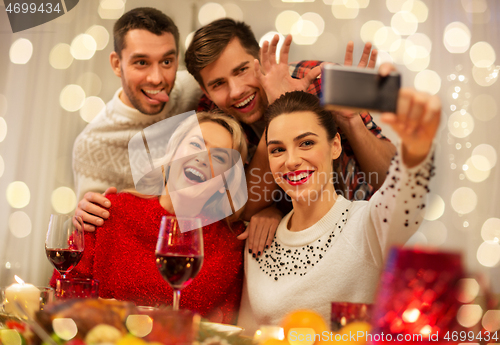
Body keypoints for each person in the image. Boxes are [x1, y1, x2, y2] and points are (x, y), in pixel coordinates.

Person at [237, 84, 441, 332]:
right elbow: (246, 335)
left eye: (306, 143)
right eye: (278, 150)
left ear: (335, 146)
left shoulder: (367, 223)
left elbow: (411, 197)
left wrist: (416, 146)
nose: (291, 161)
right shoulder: (259, 238)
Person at [184, 19, 396, 255]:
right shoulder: (211, 116)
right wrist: (279, 110)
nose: (236, 91)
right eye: (218, 84)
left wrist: (352, 122)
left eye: (242, 70)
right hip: (291, 245)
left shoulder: (318, 80)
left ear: (260, 60)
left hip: (363, 231)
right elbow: (240, 206)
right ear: (206, 91)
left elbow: (393, 178)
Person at [51, 112, 248, 324]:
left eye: (219, 157)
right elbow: (62, 297)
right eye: (195, 144)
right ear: (172, 154)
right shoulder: (109, 212)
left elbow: (224, 332)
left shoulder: (232, 243)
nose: (203, 158)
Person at [73, 7, 202, 231]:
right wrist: (83, 214)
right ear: (116, 64)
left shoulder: (194, 89)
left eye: (167, 62)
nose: (157, 78)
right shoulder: (92, 144)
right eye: (141, 63)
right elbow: (92, 231)